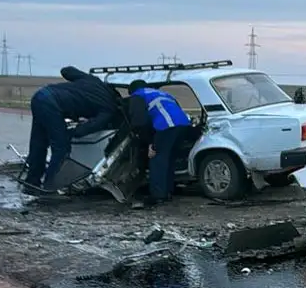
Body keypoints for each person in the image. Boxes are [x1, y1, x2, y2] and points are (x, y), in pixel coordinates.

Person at [23, 66, 121, 194]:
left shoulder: (93, 80)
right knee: (61, 148)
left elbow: (66, 70)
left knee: (39, 144)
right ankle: (50, 188)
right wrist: (70, 133)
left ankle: (31, 183)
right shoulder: (109, 108)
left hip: (40, 96)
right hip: (52, 104)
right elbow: (89, 128)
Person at [126, 79, 192, 208]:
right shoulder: (163, 94)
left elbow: (139, 122)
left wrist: (150, 143)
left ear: (131, 91)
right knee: (169, 158)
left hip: (166, 126)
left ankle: (158, 195)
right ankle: (168, 191)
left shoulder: (137, 96)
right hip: (183, 125)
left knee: (157, 158)